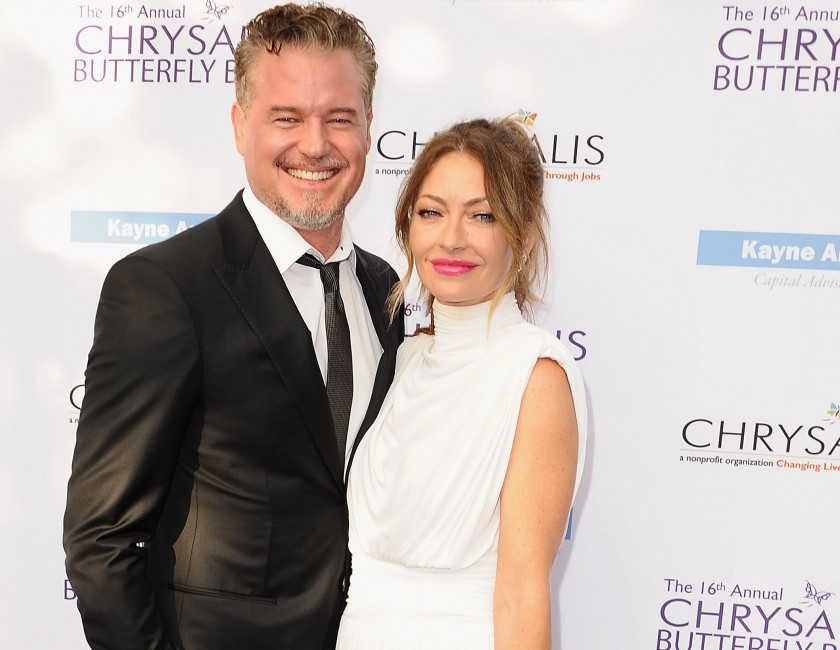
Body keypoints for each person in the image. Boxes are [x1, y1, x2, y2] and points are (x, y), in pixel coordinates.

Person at [62, 4, 403, 649]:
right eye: (286, 117)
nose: (315, 144)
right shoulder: (165, 288)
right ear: (240, 125)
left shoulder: (385, 289)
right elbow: (101, 539)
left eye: (339, 117)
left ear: (367, 129)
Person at [336, 118, 588, 649]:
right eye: (432, 212)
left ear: (523, 233)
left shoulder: (535, 375)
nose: (452, 238)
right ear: (407, 226)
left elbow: (523, 594)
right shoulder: (406, 358)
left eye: (483, 215)